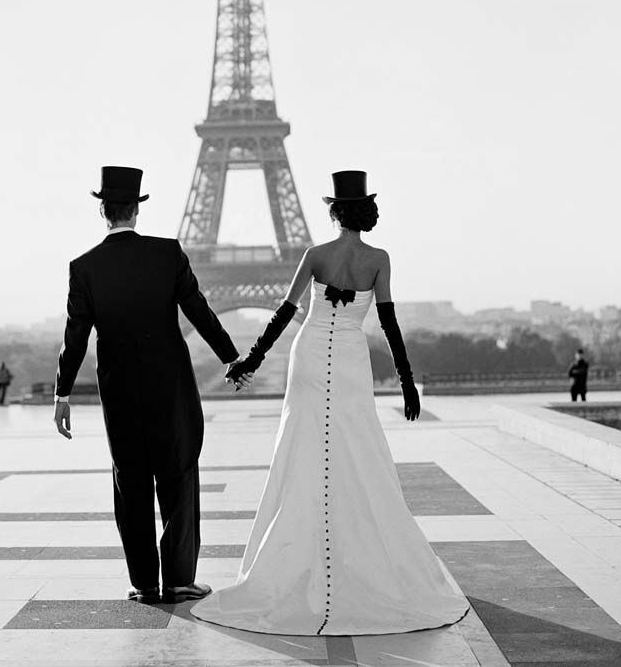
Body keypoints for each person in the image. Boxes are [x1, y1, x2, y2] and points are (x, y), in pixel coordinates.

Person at [192, 171, 468, 636]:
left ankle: (298, 551)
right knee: (358, 447)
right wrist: (407, 382)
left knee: (301, 447)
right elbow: (389, 323)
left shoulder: (315, 254)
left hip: (310, 351)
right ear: (366, 211)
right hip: (350, 358)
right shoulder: (378, 258)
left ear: (335, 211)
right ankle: (354, 545)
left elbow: (284, 313)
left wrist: (250, 361)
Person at [53, 166, 253, 606]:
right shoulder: (167, 254)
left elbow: (75, 336)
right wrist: (231, 358)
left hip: (119, 389)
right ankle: (179, 579)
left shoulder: (84, 267)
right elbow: (199, 311)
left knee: (131, 482)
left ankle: (144, 582)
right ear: (136, 210)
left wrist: (62, 392)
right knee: (178, 474)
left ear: (103, 211)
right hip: (170, 386)